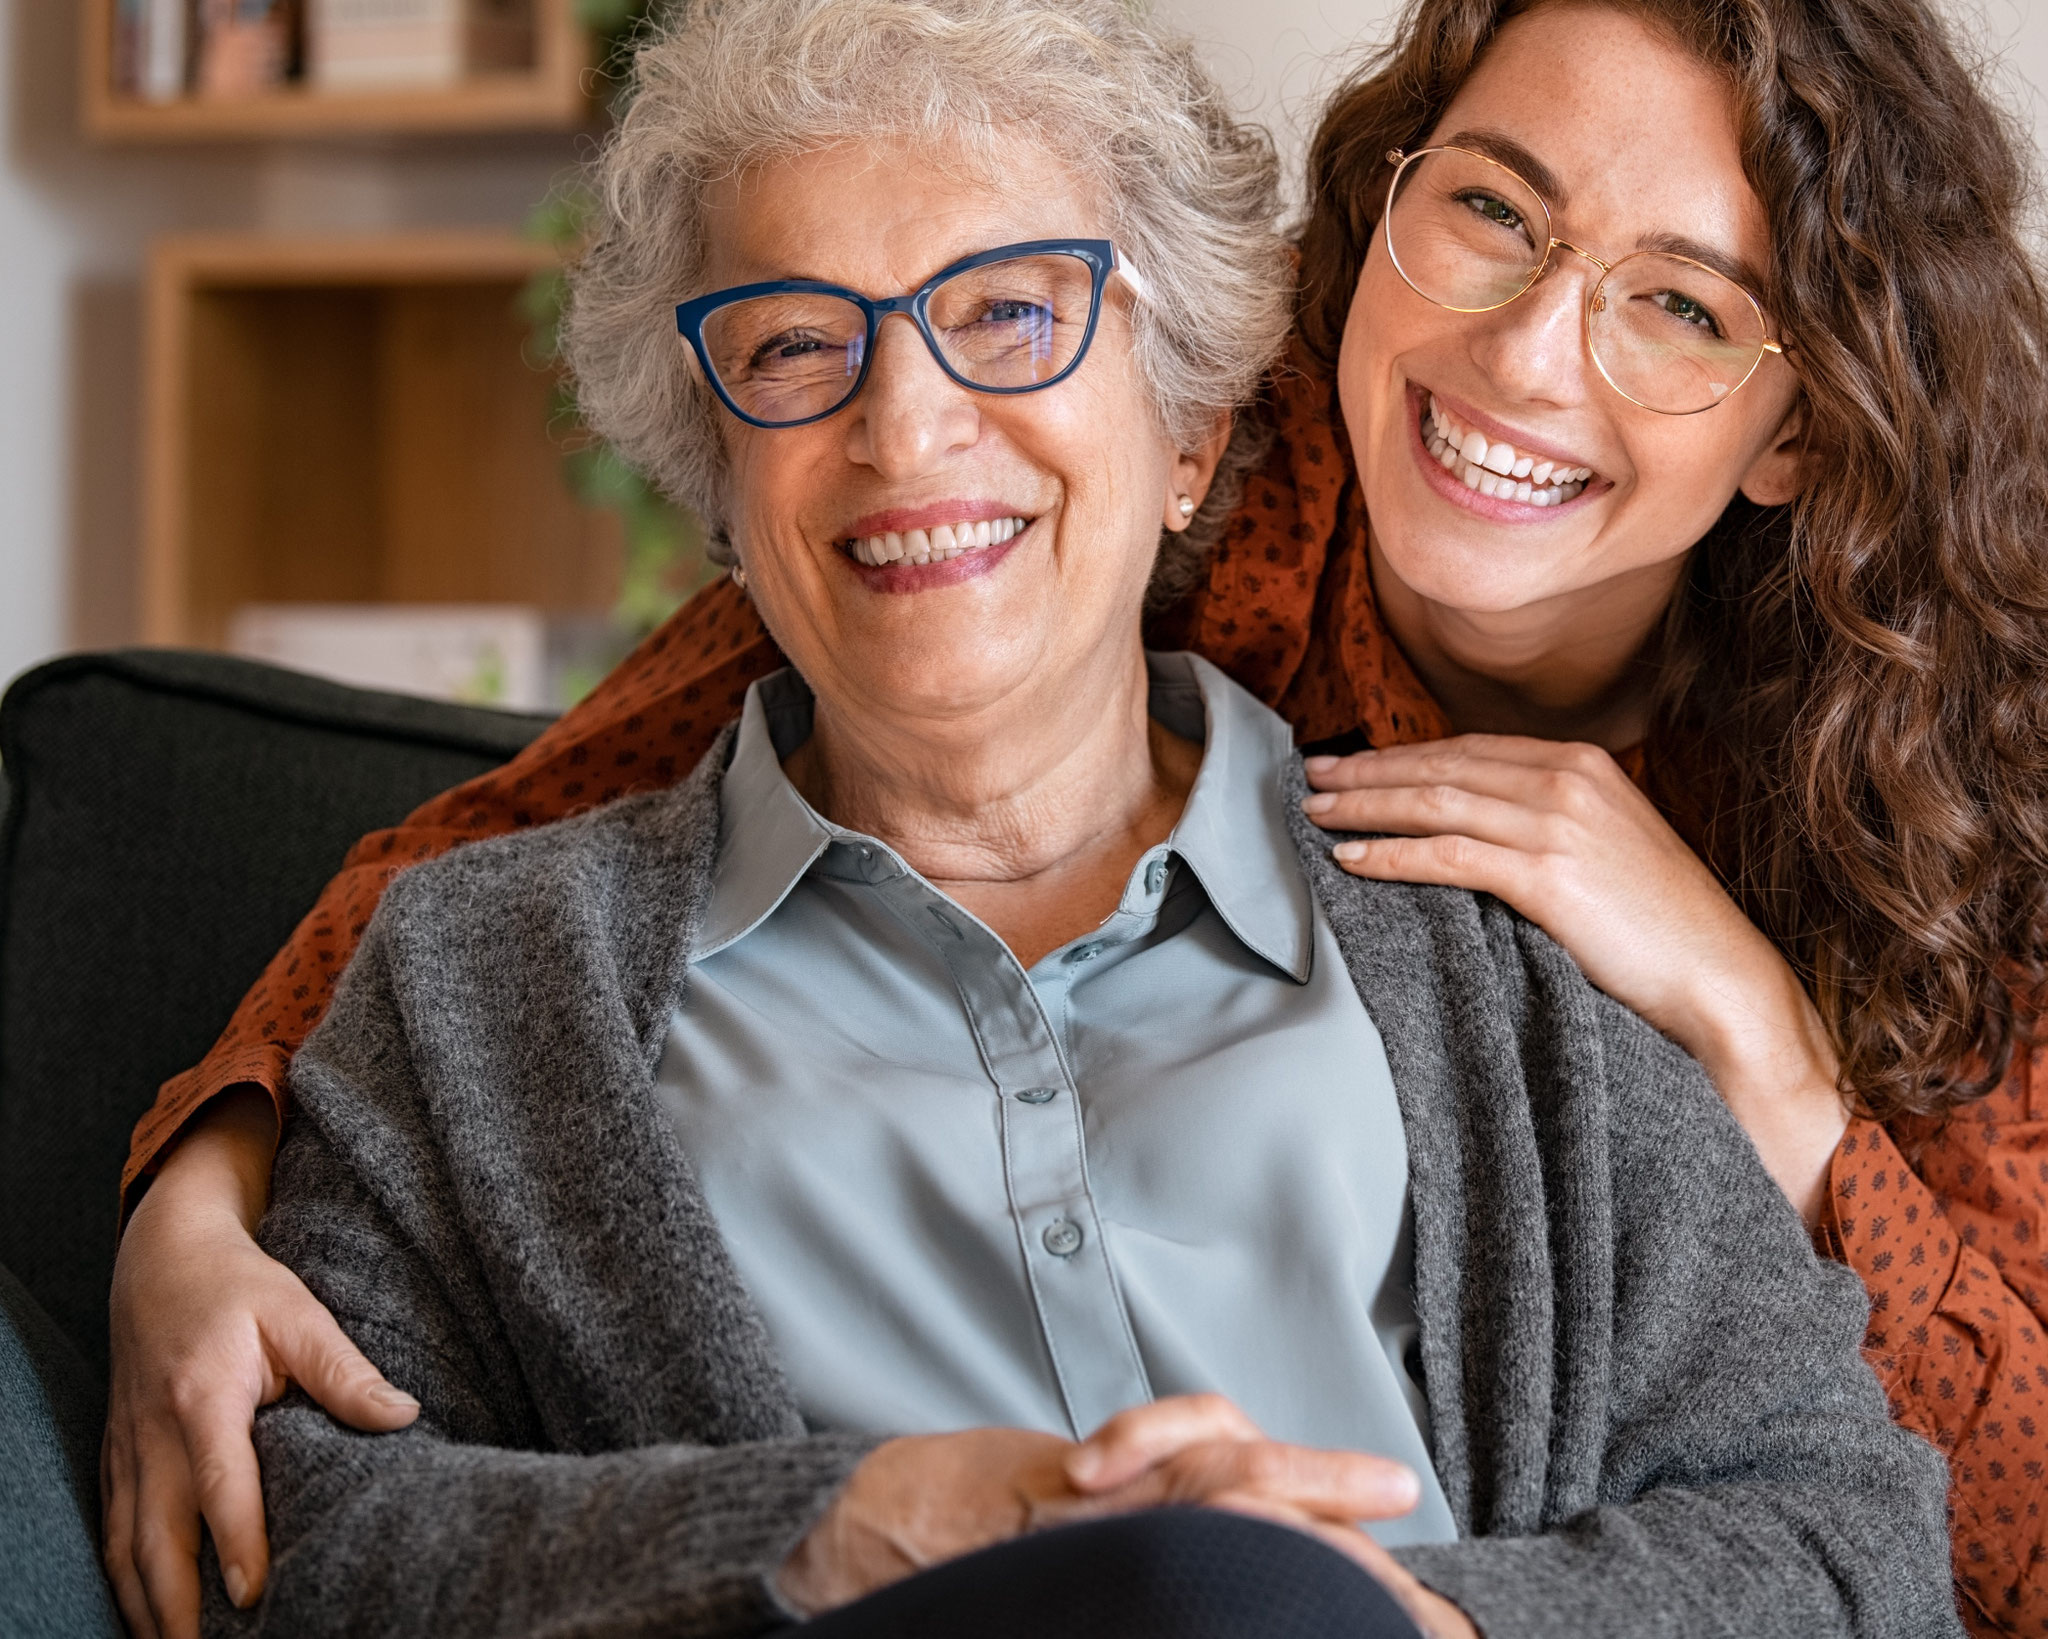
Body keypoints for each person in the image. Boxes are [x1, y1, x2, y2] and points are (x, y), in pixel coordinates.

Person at [101, 0, 2045, 1634]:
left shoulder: (1613, 945)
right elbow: (306, 1510)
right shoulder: (504, 970)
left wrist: (1758, 1049)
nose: (908, 425)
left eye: (1015, 319)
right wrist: (194, 1195)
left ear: (1184, 427)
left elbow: (1881, 1530)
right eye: (798, 346)